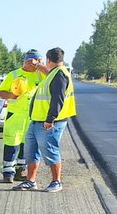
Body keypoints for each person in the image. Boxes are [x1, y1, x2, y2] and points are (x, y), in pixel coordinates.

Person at [14, 47, 77, 193]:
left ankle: (57, 181)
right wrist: (37, 65)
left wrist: (50, 119)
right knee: (31, 151)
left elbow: (57, 100)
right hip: (37, 120)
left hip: (49, 122)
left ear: (48, 59)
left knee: (50, 150)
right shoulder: (54, 72)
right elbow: (47, 73)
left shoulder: (59, 75)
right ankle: (30, 181)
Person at [0, 49, 44, 181]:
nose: (32, 64)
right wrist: (11, 95)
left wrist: (39, 66)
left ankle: (21, 171)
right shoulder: (14, 74)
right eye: (30, 61)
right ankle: (8, 172)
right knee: (11, 143)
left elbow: (52, 74)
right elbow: (0, 92)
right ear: (25, 61)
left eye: (36, 61)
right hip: (15, 116)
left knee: (27, 145)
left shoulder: (41, 75)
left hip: (32, 117)